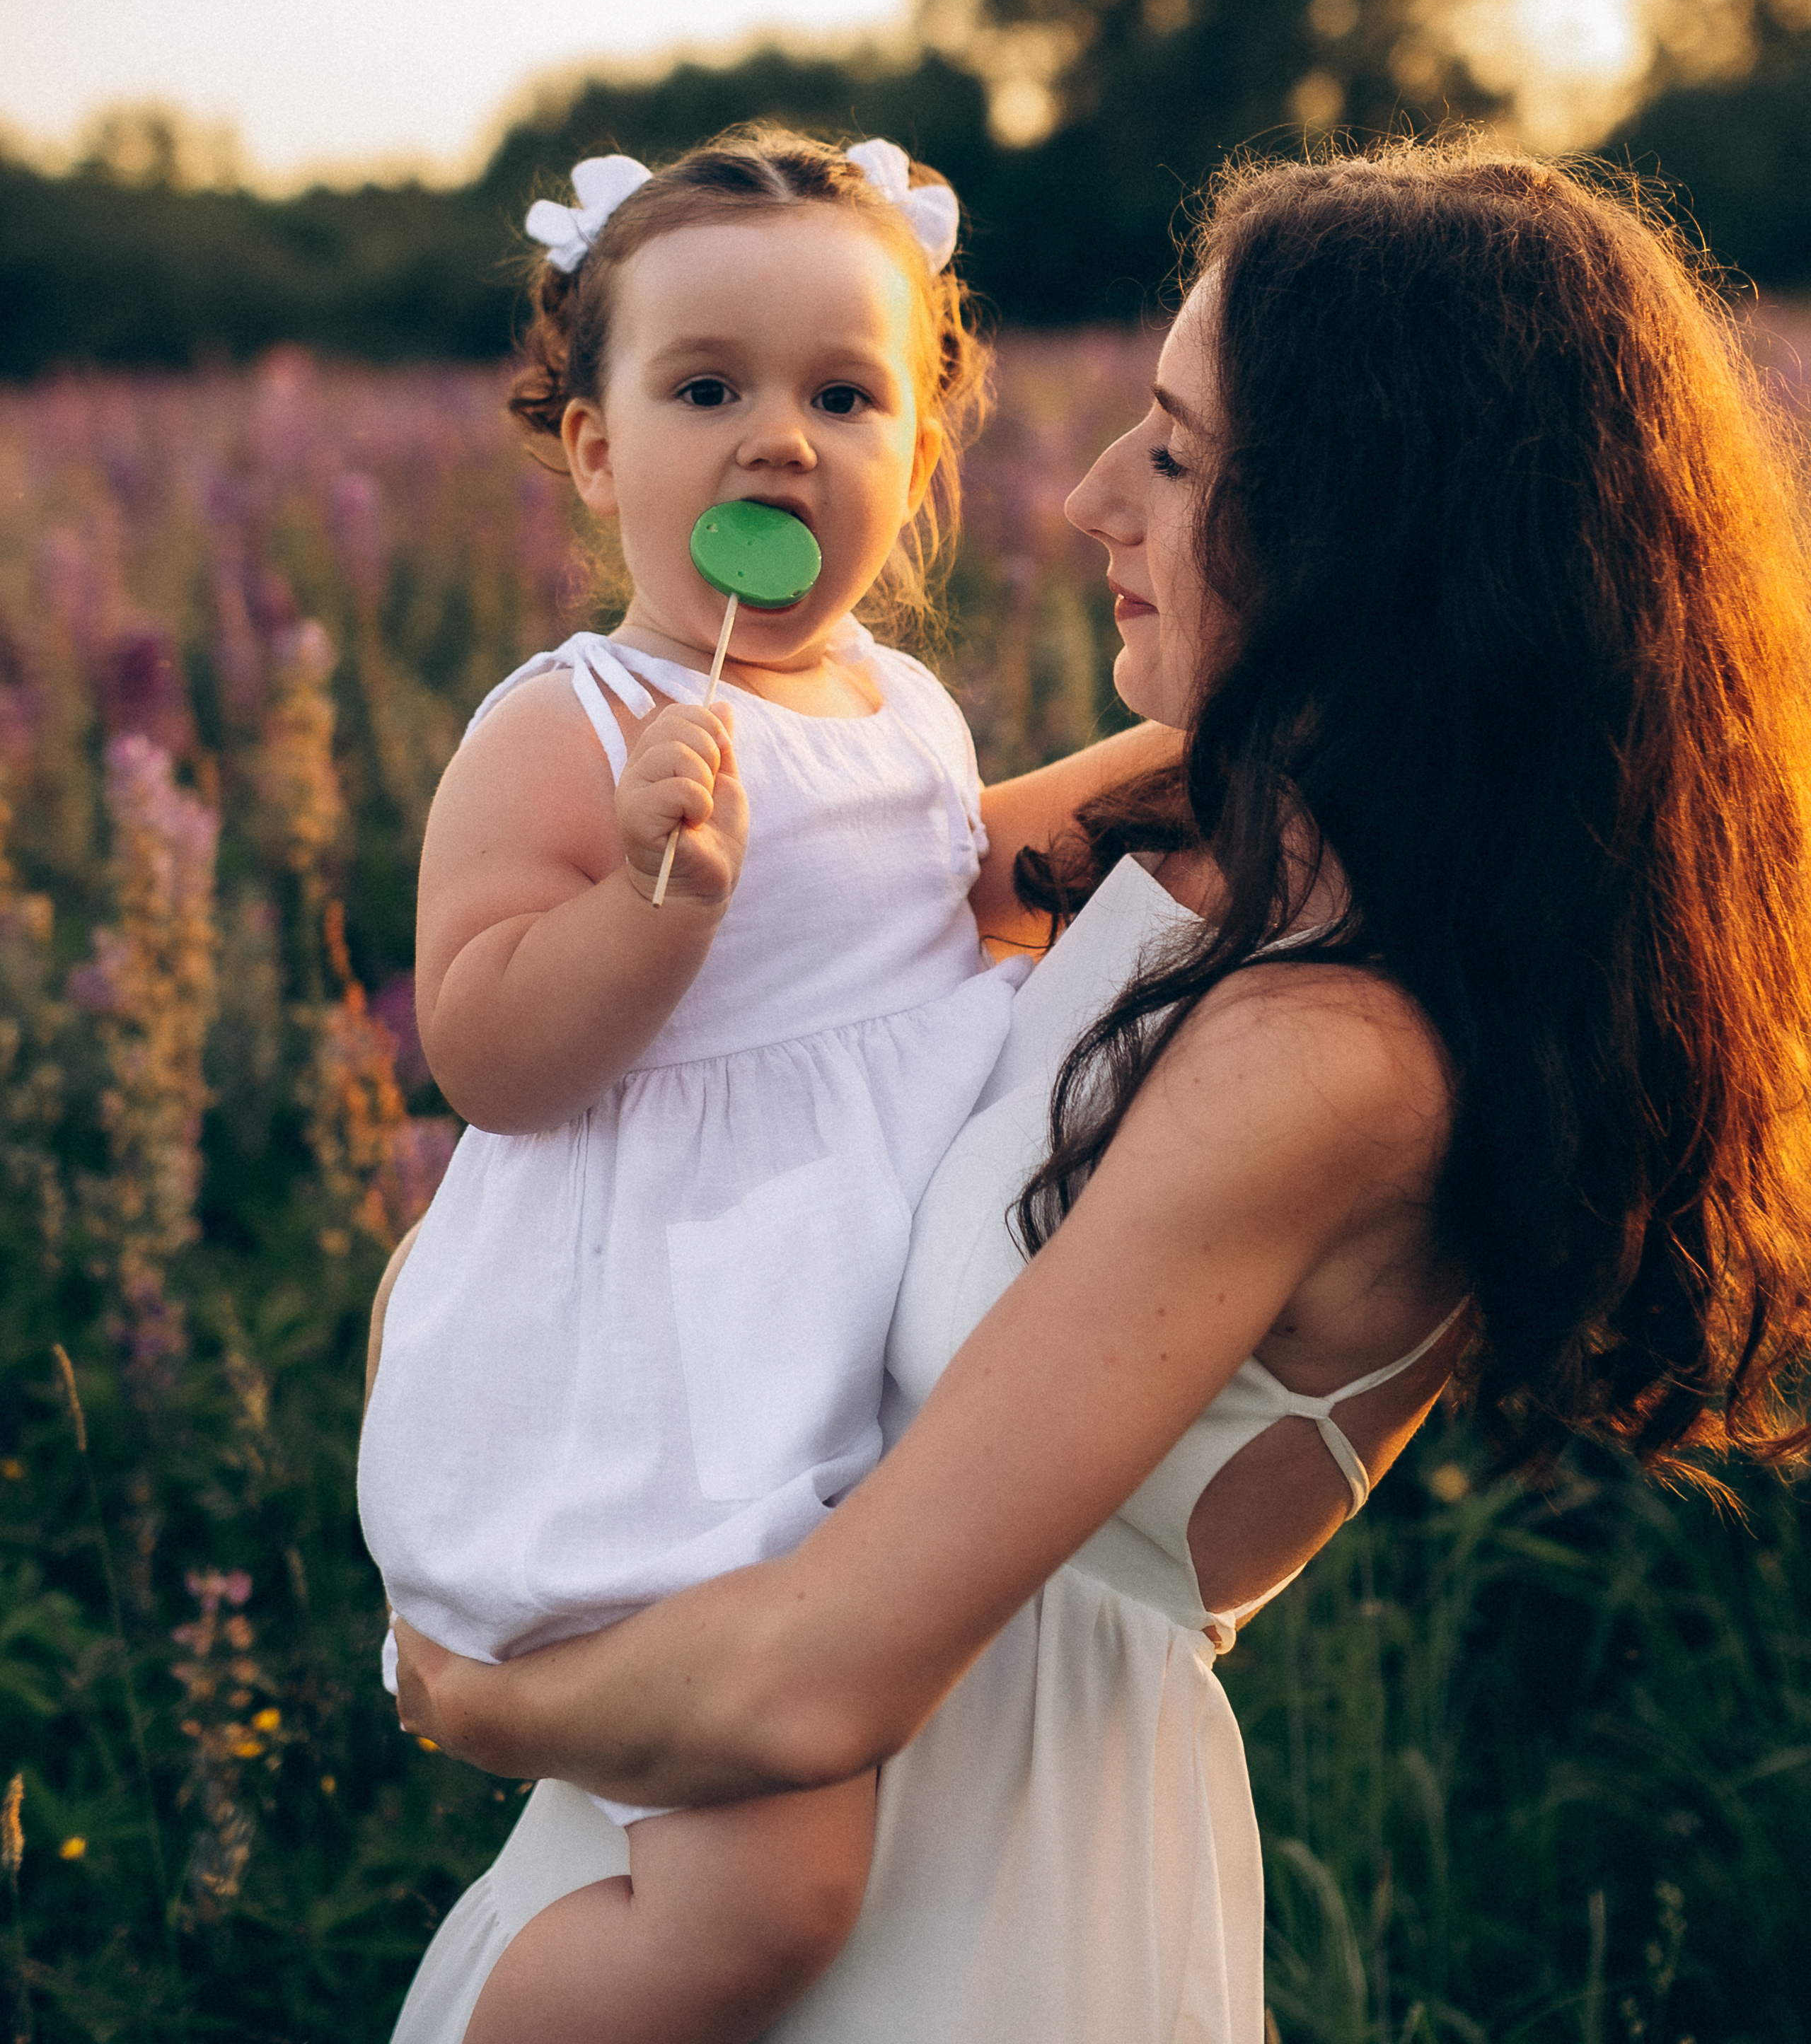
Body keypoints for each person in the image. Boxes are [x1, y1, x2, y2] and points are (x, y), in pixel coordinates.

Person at [392, 147, 1811, 2044]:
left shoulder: (1334, 1056)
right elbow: (786, 971)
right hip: (708, 1801)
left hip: (965, 1897)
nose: (1080, 500)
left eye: (1171, 451)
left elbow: (815, 1690)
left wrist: (462, 1692)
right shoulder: (1219, 807)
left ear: (1365, 528)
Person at [359, 127, 1161, 2044]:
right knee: (764, 1901)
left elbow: (958, 910)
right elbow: (486, 1053)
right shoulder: (581, 726)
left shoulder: (903, 706)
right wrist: (651, 903)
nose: (777, 437)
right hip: (673, 1366)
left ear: (923, 451)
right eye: (706, 387)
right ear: (599, 450)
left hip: (849, 1348)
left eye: (842, 392)